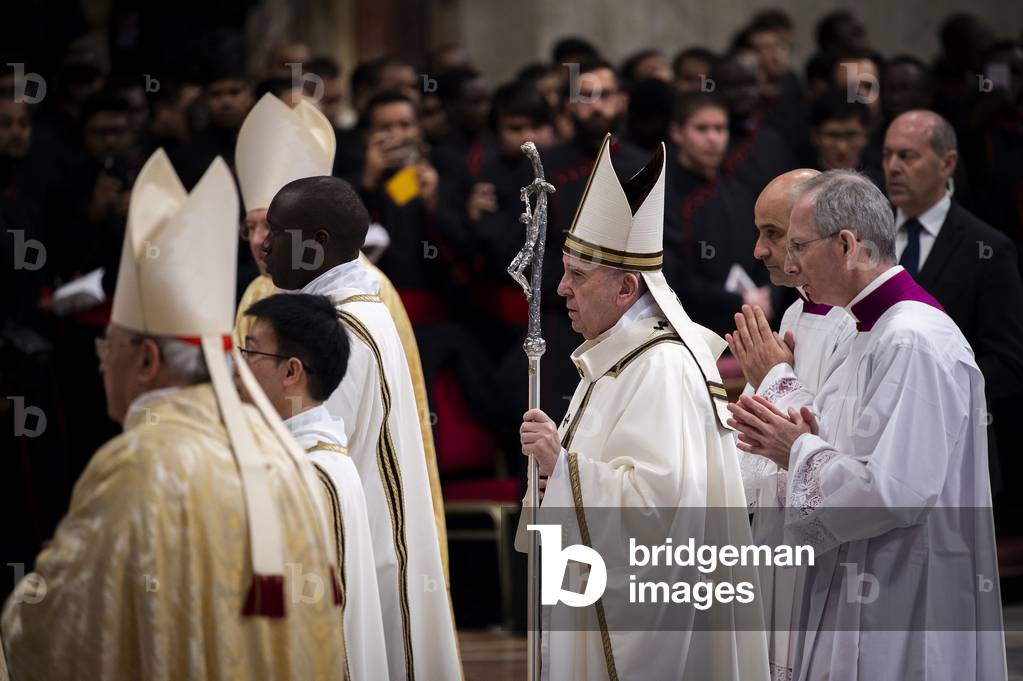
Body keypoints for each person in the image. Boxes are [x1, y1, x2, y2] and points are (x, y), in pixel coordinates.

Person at [1, 150, 346, 679]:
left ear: (146, 359)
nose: (100, 366)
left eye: (106, 348)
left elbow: (57, 629)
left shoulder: (139, 463)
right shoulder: (272, 442)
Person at [727, 169, 1006, 681]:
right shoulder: (866, 331)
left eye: (799, 247)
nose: (788, 264)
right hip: (858, 573)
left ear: (847, 244)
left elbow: (894, 492)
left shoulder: (912, 339)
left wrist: (797, 451)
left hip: (902, 588)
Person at [517, 134, 769, 680]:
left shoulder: (661, 367)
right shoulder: (610, 356)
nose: (561, 289)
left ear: (628, 287)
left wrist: (563, 470)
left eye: (577, 276)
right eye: (563, 272)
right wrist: (554, 477)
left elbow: (665, 509)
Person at [263, 175, 462, 681]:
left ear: (318, 243)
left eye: (277, 230)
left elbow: (322, 456)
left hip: (365, 553)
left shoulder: (341, 330)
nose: (265, 243)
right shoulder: (359, 309)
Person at [725, 169, 856, 681]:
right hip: (780, 533)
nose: (758, 250)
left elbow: (833, 445)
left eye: (773, 234)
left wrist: (771, 375)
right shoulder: (798, 313)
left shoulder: (857, 324)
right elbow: (764, 432)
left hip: (833, 542)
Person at [239, 292, 388, 681]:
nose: (238, 368)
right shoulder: (306, 459)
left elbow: (312, 622)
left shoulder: (312, 475)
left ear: (291, 372)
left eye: (251, 353)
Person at [883, 109, 1023, 495]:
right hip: (875, 441)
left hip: (954, 444)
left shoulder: (989, 248)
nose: (893, 167)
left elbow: (1009, 363)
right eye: (887, 155)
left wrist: (926, 383)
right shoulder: (864, 238)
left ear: (947, 163)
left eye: (907, 156)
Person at [663, 91, 772, 334]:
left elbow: (767, 250)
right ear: (677, 132)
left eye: (720, 129)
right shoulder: (664, 194)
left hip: (752, 322)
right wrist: (736, 301)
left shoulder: (742, 191)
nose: (713, 138)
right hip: (691, 329)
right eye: (702, 129)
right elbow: (674, 275)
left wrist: (767, 292)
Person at [232, 92, 336, 347]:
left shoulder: (363, 292)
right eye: (250, 227)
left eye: (270, 226)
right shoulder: (258, 291)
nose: (257, 241)